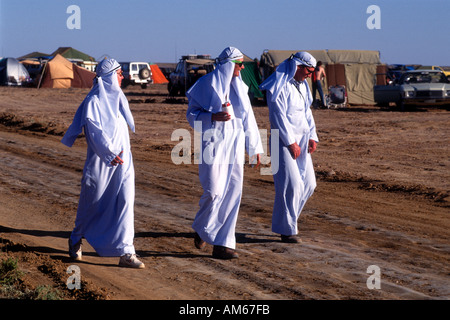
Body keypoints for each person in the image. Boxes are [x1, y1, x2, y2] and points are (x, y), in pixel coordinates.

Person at [61, 58, 144, 268]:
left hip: (124, 163)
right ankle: (76, 238)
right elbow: (93, 131)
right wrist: (108, 152)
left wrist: (118, 155)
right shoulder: (94, 102)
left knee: (125, 202)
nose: (123, 76)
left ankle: (126, 252)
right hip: (101, 163)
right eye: (119, 73)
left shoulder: (118, 99)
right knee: (92, 204)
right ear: (109, 77)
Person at [186, 47, 264, 259]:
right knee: (214, 192)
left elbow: (248, 119)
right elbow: (191, 114)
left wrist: (255, 148)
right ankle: (202, 228)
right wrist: (211, 117)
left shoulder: (240, 87)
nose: (241, 67)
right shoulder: (205, 84)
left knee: (232, 193)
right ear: (229, 64)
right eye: (239, 64)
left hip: (236, 147)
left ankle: (223, 244)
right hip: (213, 146)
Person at [259, 52, 319, 243]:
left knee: (309, 184)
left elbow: (306, 113)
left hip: (302, 140)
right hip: (282, 141)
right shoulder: (280, 85)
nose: (310, 75)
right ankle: (287, 230)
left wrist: (312, 136)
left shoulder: (302, 86)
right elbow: (277, 116)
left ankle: (287, 222)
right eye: (308, 70)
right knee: (291, 185)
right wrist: (290, 142)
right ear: (298, 67)